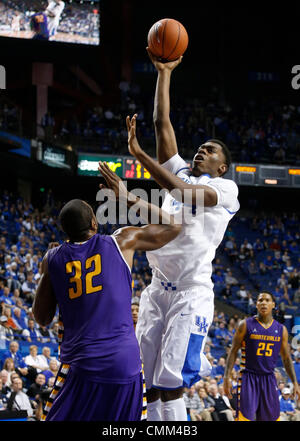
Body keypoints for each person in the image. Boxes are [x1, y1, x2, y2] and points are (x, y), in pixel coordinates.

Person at [125, 48, 240, 420]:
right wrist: (164, 72)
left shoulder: (226, 190)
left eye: (208, 151)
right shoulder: (183, 173)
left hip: (191, 294)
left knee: (172, 381)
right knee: (151, 383)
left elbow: (179, 192)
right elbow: (162, 124)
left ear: (221, 166)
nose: (200, 152)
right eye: (199, 148)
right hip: (158, 290)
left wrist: (141, 157)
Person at [32, 167, 181, 421]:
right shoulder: (121, 240)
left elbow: (42, 318)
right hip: (127, 364)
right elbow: (173, 226)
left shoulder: (54, 259)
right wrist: (126, 196)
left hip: (83, 366)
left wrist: (48, 270)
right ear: (94, 222)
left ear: (65, 231)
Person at [224, 291, 300, 421]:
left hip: (269, 379)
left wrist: (294, 382)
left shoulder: (281, 330)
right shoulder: (245, 325)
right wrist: (226, 376)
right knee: (244, 418)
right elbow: (233, 352)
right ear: (256, 304)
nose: (263, 303)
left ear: (273, 305)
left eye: (267, 300)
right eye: (260, 300)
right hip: (248, 377)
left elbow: (287, 359)